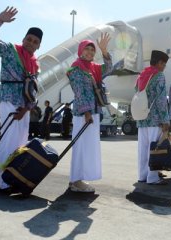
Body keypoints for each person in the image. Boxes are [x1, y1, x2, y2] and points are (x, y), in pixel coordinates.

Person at [0, 6, 43, 192]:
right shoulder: (10, 50)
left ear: (39, 45)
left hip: (24, 106)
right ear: (24, 39)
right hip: (8, 99)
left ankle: (15, 177)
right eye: (29, 39)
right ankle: (4, 182)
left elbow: (33, 89)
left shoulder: (35, 63)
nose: (31, 43)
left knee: (20, 143)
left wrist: (27, 108)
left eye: (35, 42)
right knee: (8, 140)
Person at [66, 34, 112, 192]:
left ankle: (78, 179)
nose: (90, 52)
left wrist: (104, 51)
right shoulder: (76, 67)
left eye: (93, 50)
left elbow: (109, 68)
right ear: (80, 50)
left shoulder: (94, 68)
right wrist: (86, 113)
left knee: (88, 147)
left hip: (93, 112)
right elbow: (79, 91)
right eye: (87, 48)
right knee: (80, 146)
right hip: (83, 114)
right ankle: (76, 180)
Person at [136, 50, 170, 185]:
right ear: (159, 63)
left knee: (143, 149)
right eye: (164, 64)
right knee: (154, 148)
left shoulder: (142, 75)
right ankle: (152, 177)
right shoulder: (159, 75)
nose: (164, 67)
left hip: (142, 118)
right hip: (155, 119)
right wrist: (165, 120)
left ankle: (142, 176)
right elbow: (161, 100)